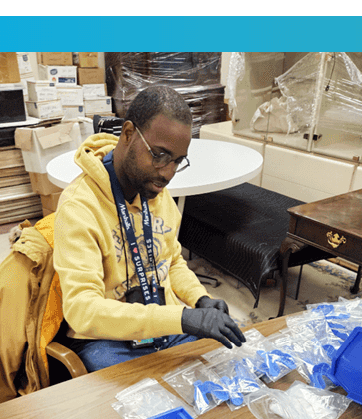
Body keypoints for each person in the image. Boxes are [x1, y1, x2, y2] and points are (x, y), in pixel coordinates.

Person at [53, 87, 245, 371]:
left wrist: (199, 298)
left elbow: (172, 260)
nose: (167, 173)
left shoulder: (155, 190)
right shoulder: (79, 207)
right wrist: (183, 318)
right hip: (107, 340)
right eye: (159, 155)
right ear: (128, 134)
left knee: (226, 367)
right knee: (146, 398)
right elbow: (82, 310)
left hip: (161, 325)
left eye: (178, 161)